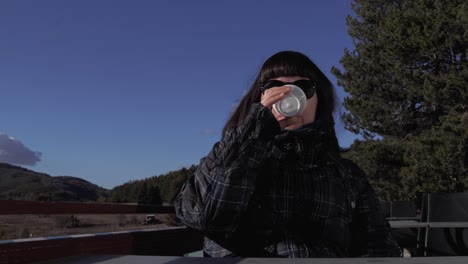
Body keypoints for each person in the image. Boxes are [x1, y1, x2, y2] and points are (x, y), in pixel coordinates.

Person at [174, 50, 401, 258]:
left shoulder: (347, 176)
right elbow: (205, 217)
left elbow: (380, 245)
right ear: (259, 99)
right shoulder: (226, 156)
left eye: (304, 87)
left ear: (319, 99)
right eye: (274, 87)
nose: (288, 96)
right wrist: (253, 133)